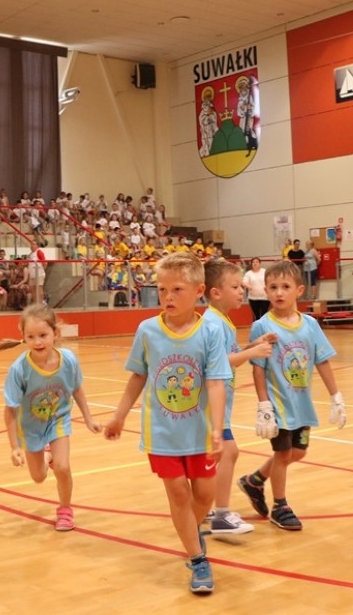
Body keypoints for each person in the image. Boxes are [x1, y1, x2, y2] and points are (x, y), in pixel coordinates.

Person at [103, 252, 231, 594]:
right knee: (177, 493)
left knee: (204, 496)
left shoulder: (211, 331)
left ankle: (188, 530)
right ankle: (198, 558)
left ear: (199, 290)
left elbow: (216, 382)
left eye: (177, 289)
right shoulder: (148, 330)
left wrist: (218, 429)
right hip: (161, 432)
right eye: (162, 290)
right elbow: (138, 376)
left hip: (199, 431)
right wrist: (119, 414)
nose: (168, 297)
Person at [236, 259, 347, 532]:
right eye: (273, 287)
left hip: (302, 403)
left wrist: (336, 396)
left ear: (299, 290)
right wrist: (264, 405)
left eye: (285, 287)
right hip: (278, 404)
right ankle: (280, 506)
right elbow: (258, 369)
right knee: (283, 453)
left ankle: (254, 480)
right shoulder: (262, 326)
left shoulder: (310, 324)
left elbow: (322, 360)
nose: (279, 292)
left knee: (298, 451)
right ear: (265, 290)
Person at [0, 304, 102, 530]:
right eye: (31, 336)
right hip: (31, 426)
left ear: (55, 334)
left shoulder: (68, 360)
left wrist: (89, 419)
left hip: (58, 418)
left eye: (43, 335)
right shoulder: (19, 369)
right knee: (38, 477)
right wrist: (14, 446)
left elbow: (77, 389)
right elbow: (10, 411)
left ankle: (65, 511)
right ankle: (46, 455)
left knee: (63, 467)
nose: (37, 342)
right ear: (23, 336)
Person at [201, 260, 276, 535]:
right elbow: (219, 362)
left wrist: (253, 344)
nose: (241, 291)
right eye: (235, 287)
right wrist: (253, 353)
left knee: (217, 455)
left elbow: (231, 354)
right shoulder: (213, 323)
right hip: (213, 403)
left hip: (222, 403)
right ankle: (221, 514)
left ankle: (204, 507)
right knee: (229, 452)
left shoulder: (222, 321)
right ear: (215, 292)